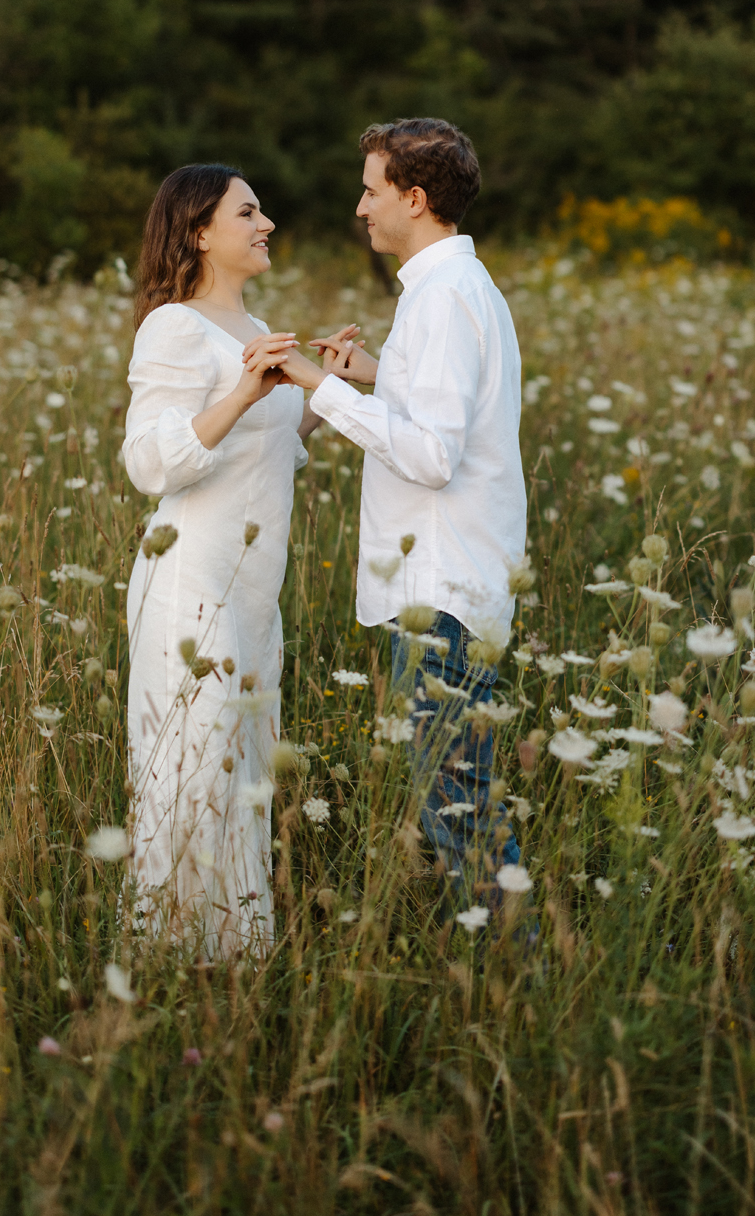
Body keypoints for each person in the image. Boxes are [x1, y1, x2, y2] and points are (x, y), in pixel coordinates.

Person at [264, 119, 529, 917]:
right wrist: (376, 375)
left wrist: (319, 385)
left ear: (414, 199)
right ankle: (495, 956)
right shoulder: (452, 289)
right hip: (449, 579)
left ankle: (512, 964)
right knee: (451, 799)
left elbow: (434, 456)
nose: (360, 207)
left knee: (458, 808)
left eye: (372, 191)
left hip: (443, 588)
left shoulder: (444, 298)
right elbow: (451, 414)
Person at [121, 163, 329, 958]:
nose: (266, 222)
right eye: (248, 212)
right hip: (190, 582)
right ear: (201, 231)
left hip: (252, 591)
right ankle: (169, 961)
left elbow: (263, 452)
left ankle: (236, 959)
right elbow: (150, 461)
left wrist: (320, 398)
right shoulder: (174, 327)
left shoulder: (253, 325)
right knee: (192, 774)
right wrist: (243, 392)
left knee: (243, 774)